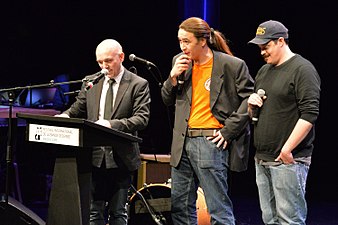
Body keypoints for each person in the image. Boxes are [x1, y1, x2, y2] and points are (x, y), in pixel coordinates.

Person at [161, 17, 254, 225]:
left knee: (217, 208)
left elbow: (250, 99)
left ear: (202, 41)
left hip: (209, 141)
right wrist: (172, 77)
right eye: (180, 41)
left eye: (187, 41)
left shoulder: (231, 65)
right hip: (181, 143)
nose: (182, 47)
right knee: (180, 207)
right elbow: (167, 99)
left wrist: (228, 131)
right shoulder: (180, 63)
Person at [56, 39, 151, 225]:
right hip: (94, 157)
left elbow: (142, 119)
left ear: (121, 57)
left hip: (121, 158)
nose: (104, 67)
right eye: (100, 62)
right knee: (93, 213)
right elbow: (77, 109)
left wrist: (111, 124)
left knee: (118, 214)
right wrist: (64, 117)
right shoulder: (91, 81)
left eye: (108, 61)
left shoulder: (138, 84)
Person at [247, 20, 321, 225]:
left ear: (281, 41)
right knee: (269, 219)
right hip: (262, 159)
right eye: (260, 48)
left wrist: (287, 150)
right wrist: (251, 105)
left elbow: (309, 114)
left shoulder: (302, 69)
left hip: (288, 160)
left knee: (290, 220)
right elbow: (256, 113)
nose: (262, 52)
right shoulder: (264, 71)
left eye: (266, 46)